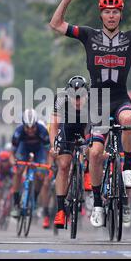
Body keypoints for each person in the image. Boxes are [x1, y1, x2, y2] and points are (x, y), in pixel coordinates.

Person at [49, 0, 131, 227]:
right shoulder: (88, 35)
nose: (111, 15)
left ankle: (127, 165)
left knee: (129, 120)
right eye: (107, 11)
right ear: (101, 14)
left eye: (116, 11)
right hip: (97, 102)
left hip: (120, 98)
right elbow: (56, 25)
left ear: (120, 15)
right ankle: (96, 203)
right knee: (95, 153)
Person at [50, 76, 90, 228]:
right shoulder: (60, 98)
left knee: (92, 150)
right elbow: (54, 123)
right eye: (74, 97)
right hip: (67, 128)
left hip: (86, 127)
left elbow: (100, 128)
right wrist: (54, 146)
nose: (77, 101)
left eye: (80, 97)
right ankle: (60, 211)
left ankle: (86, 173)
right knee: (64, 165)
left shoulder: (95, 99)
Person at [10, 109, 51, 228]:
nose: (30, 130)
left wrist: (48, 165)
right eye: (27, 128)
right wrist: (14, 163)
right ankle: (16, 202)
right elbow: (12, 153)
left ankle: (35, 197)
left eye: (33, 127)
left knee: (40, 175)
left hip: (39, 151)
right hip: (24, 148)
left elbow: (48, 151)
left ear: (36, 124)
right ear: (23, 125)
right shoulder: (18, 132)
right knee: (18, 172)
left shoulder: (43, 131)